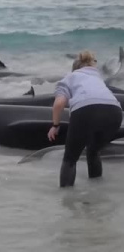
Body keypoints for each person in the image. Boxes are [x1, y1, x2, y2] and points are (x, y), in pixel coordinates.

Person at [47, 50, 123, 187]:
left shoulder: (70, 77)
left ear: (75, 68)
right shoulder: (98, 79)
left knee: (70, 158)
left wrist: (55, 125)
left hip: (86, 111)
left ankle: (66, 199)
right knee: (93, 151)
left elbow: (59, 104)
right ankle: (96, 190)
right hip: (115, 113)